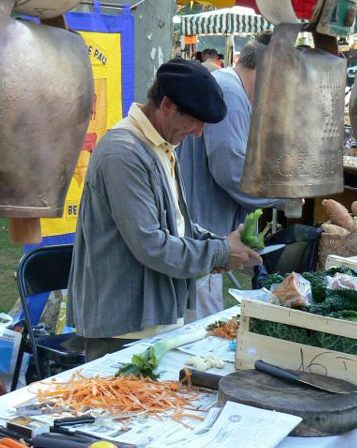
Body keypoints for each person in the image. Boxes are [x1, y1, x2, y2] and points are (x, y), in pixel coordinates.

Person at [67, 59, 262, 361]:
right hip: (123, 328)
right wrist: (220, 252)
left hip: (155, 320)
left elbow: (179, 225)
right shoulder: (123, 154)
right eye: (196, 122)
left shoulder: (162, 145)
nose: (198, 133)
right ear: (168, 105)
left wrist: (223, 245)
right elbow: (152, 245)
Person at [178, 40, 287, 319]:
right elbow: (232, 169)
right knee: (198, 331)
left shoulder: (231, 88)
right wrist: (282, 195)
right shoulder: (230, 92)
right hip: (202, 230)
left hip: (204, 231)